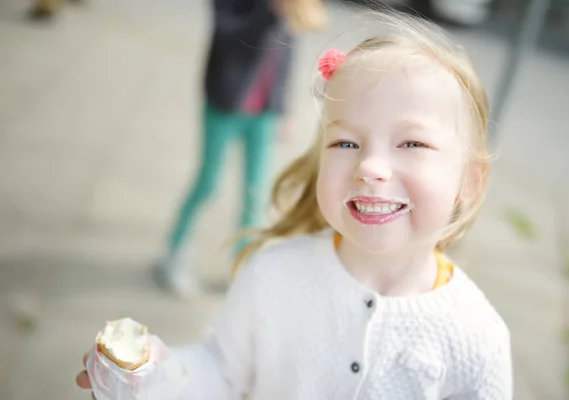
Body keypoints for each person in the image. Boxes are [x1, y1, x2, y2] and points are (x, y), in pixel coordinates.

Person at [77, 10, 513, 398]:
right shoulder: (272, 275)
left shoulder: (478, 341)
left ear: (470, 182)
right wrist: (160, 377)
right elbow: (225, 372)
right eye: (346, 141)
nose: (371, 165)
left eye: (412, 142)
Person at [156, 0, 327, 297]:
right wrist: (270, 12)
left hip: (263, 113)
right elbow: (228, 40)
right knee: (208, 183)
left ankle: (241, 265)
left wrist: (282, 109)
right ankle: (174, 252)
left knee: (256, 193)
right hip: (225, 105)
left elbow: (285, 55)